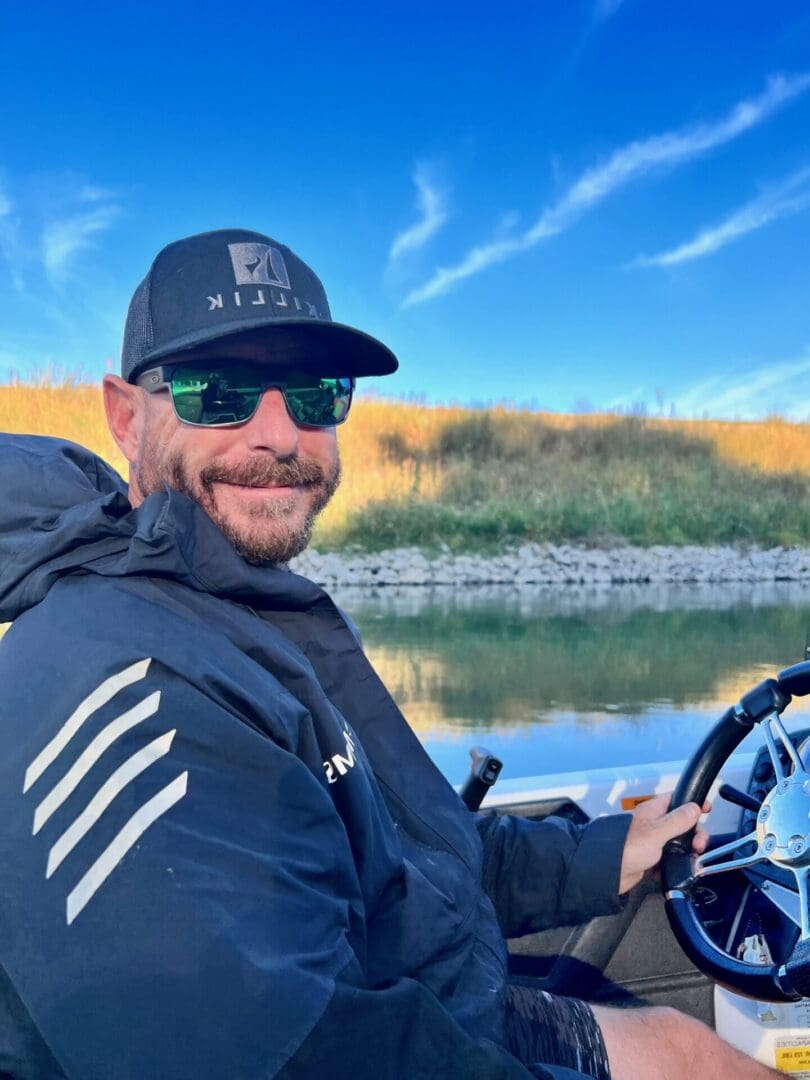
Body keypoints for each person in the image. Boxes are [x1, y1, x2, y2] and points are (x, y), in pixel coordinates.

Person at [0, 229, 779, 1079]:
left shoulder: (228, 607)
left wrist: (600, 854)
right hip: (382, 1031)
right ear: (125, 414)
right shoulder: (118, 678)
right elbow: (299, 1059)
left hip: (416, 989)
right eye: (216, 391)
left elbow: (404, 847)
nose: (278, 435)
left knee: (686, 1051)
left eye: (312, 393)